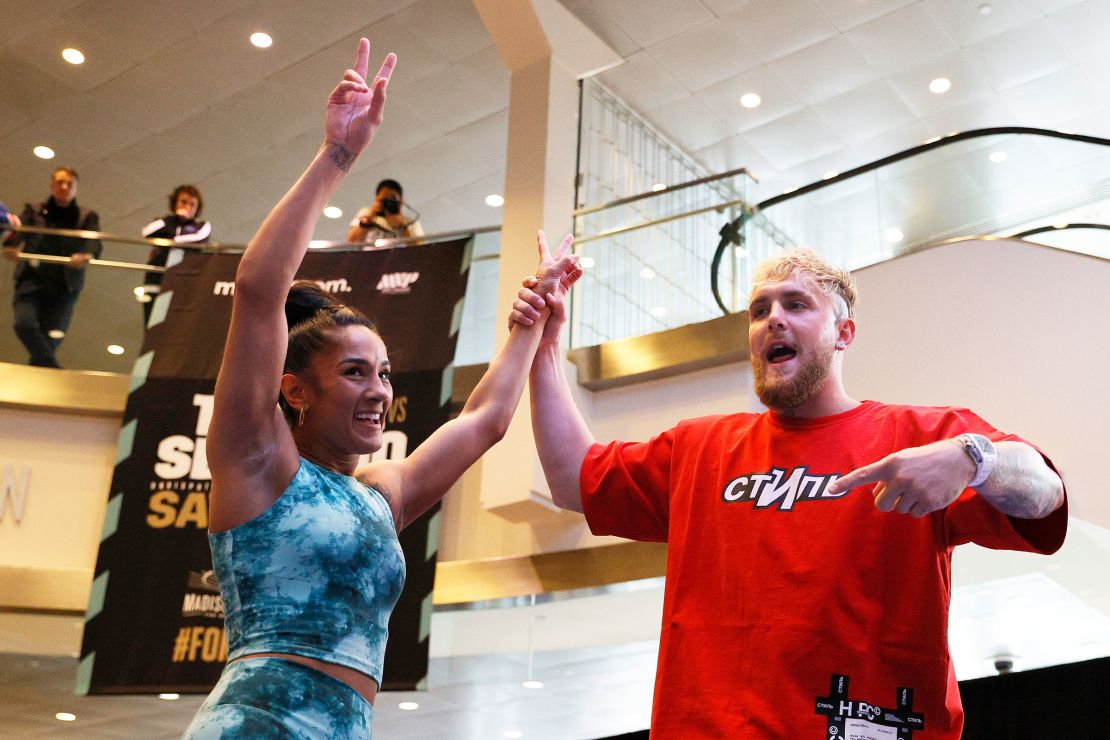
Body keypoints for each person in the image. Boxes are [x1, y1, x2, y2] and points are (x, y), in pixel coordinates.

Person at [182, 39, 579, 739]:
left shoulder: (378, 495)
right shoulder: (257, 462)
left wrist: (532, 322)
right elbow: (257, 289)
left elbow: (486, 418)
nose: (379, 390)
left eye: (385, 372)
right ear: (295, 392)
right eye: (355, 371)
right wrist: (337, 157)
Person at [510, 247, 1066, 738]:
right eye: (759, 310)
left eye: (796, 304)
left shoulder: (920, 437)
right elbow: (573, 478)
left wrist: (974, 458)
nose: (772, 319)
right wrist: (547, 346)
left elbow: (1046, 492)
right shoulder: (700, 447)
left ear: (844, 332)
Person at [2, 167, 102, 368]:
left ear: (76, 189)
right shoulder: (34, 210)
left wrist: (86, 255)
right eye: (60, 183)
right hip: (31, 279)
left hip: (65, 285)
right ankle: (53, 370)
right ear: (52, 185)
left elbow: (94, 242)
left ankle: (40, 377)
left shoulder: (87, 216)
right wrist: (11, 247)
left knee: (51, 338)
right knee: (24, 324)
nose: (64, 187)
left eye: (69, 184)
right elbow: (20, 232)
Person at [139, 184, 212, 321]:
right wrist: (171, 221)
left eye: (192, 204)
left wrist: (172, 239)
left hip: (184, 279)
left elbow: (199, 238)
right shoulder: (166, 222)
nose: (187, 207)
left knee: (174, 322)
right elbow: (146, 232)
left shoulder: (201, 226)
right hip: (156, 278)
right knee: (152, 321)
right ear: (175, 203)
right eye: (183, 202)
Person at [345, 178, 424, 243]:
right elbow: (352, 241)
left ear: (401, 201)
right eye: (384, 200)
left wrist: (403, 227)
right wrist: (370, 217)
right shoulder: (366, 214)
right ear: (376, 199)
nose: (388, 204)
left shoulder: (410, 222)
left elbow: (419, 250)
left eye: (393, 200)